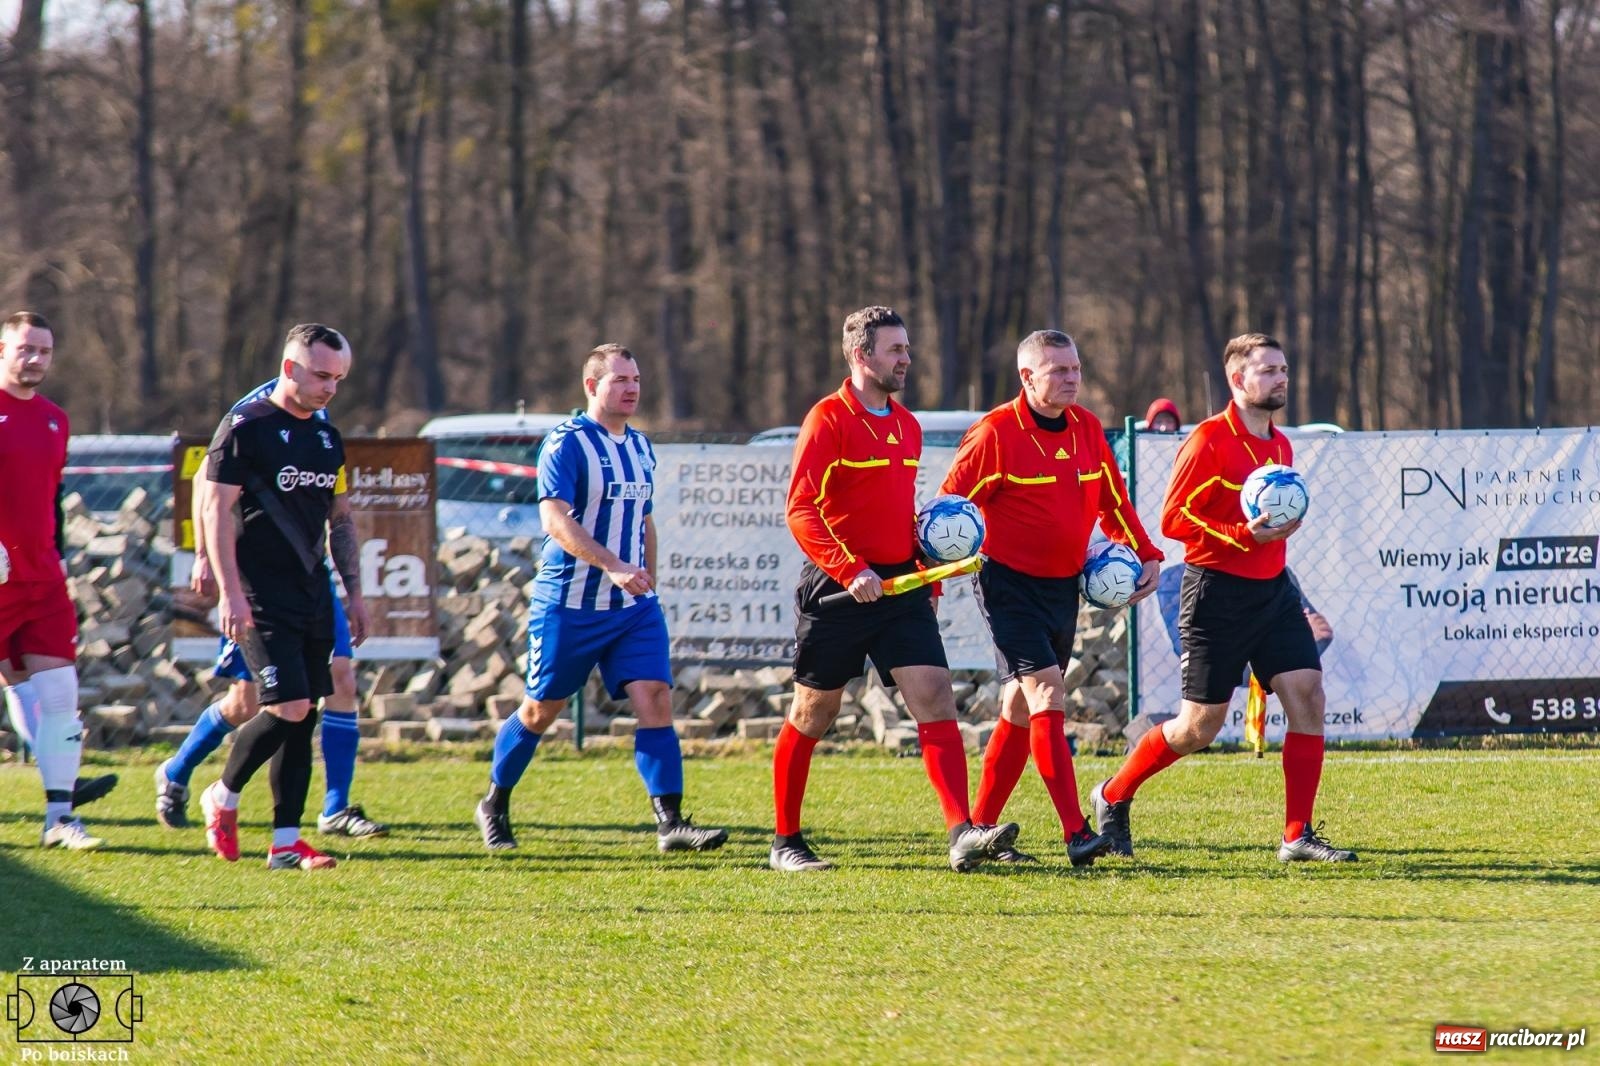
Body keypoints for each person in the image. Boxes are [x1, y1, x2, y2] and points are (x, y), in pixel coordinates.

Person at [1090, 332, 1357, 863]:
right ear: (1239, 380)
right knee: (1199, 727)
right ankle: (1112, 794)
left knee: (1309, 695)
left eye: (1284, 369)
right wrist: (1243, 534)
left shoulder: (1280, 443)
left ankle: (1296, 835)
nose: (1282, 378)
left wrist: (1283, 526)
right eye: (1269, 370)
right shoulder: (1209, 440)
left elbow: (1269, 518)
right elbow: (1173, 519)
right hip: (1216, 595)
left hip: (1274, 592)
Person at [771, 305, 1019, 873]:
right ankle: (785, 841)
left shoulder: (907, 425)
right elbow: (801, 509)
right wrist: (848, 568)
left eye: (907, 348)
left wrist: (929, 559)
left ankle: (961, 833)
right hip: (837, 587)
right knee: (814, 710)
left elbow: (894, 510)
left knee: (935, 696)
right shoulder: (827, 419)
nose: (907, 359)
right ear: (862, 356)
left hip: (901, 587)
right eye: (896, 350)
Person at [474, 344, 727, 855]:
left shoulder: (640, 446)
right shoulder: (566, 444)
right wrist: (611, 565)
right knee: (541, 711)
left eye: (636, 379)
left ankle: (671, 822)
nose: (632, 388)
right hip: (569, 602)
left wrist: (647, 575)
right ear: (592, 387)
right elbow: (554, 520)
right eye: (620, 380)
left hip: (631, 610)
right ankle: (494, 803)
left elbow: (645, 519)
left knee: (655, 697)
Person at [941, 330, 1162, 866]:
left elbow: (1111, 497)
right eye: (1058, 370)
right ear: (1027, 377)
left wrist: (1146, 551)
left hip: (1064, 585)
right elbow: (948, 511)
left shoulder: (1086, 427)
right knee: (1047, 695)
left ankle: (975, 837)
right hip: (1006, 584)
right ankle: (1077, 833)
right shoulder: (995, 433)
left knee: (1019, 706)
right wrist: (931, 576)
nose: (1071, 379)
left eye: (1076, 368)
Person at [156, 340, 386, 841]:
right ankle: (178, 772)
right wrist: (209, 565)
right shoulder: (249, 417)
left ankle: (329, 810)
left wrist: (355, 592)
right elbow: (209, 491)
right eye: (324, 375)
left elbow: (339, 515)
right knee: (251, 702)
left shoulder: (325, 430)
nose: (331, 387)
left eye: (339, 378)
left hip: (309, 582)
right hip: (254, 582)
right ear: (292, 366)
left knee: (332, 685)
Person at [0, 311, 105, 850]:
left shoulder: (55, 420)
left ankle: (60, 818)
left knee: (61, 694)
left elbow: (51, 501)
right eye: (24, 349)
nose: (35, 359)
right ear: (2, 351)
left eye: (43, 350)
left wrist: (56, 556)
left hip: (41, 581)